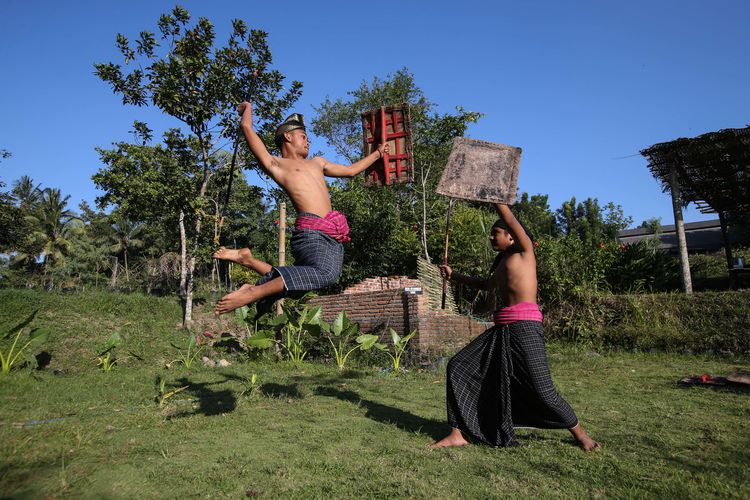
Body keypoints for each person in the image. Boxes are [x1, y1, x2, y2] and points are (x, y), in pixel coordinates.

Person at [430, 203, 600, 451]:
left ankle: (580, 434)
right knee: (458, 366)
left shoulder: (525, 251)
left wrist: (496, 199)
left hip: (525, 327)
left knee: (542, 389)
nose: (491, 237)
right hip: (502, 330)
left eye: (495, 233)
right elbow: (487, 285)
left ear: (511, 235)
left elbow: (508, 217)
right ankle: (458, 433)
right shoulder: (503, 263)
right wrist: (454, 276)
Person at [214, 102, 388, 315]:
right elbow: (248, 130)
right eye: (303, 137)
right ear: (288, 137)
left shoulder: (318, 163)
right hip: (311, 233)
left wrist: (378, 154)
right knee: (324, 274)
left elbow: (351, 171)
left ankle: (247, 259)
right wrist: (247, 109)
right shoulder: (276, 164)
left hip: (331, 234)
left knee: (300, 282)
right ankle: (253, 292)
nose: (308, 142)